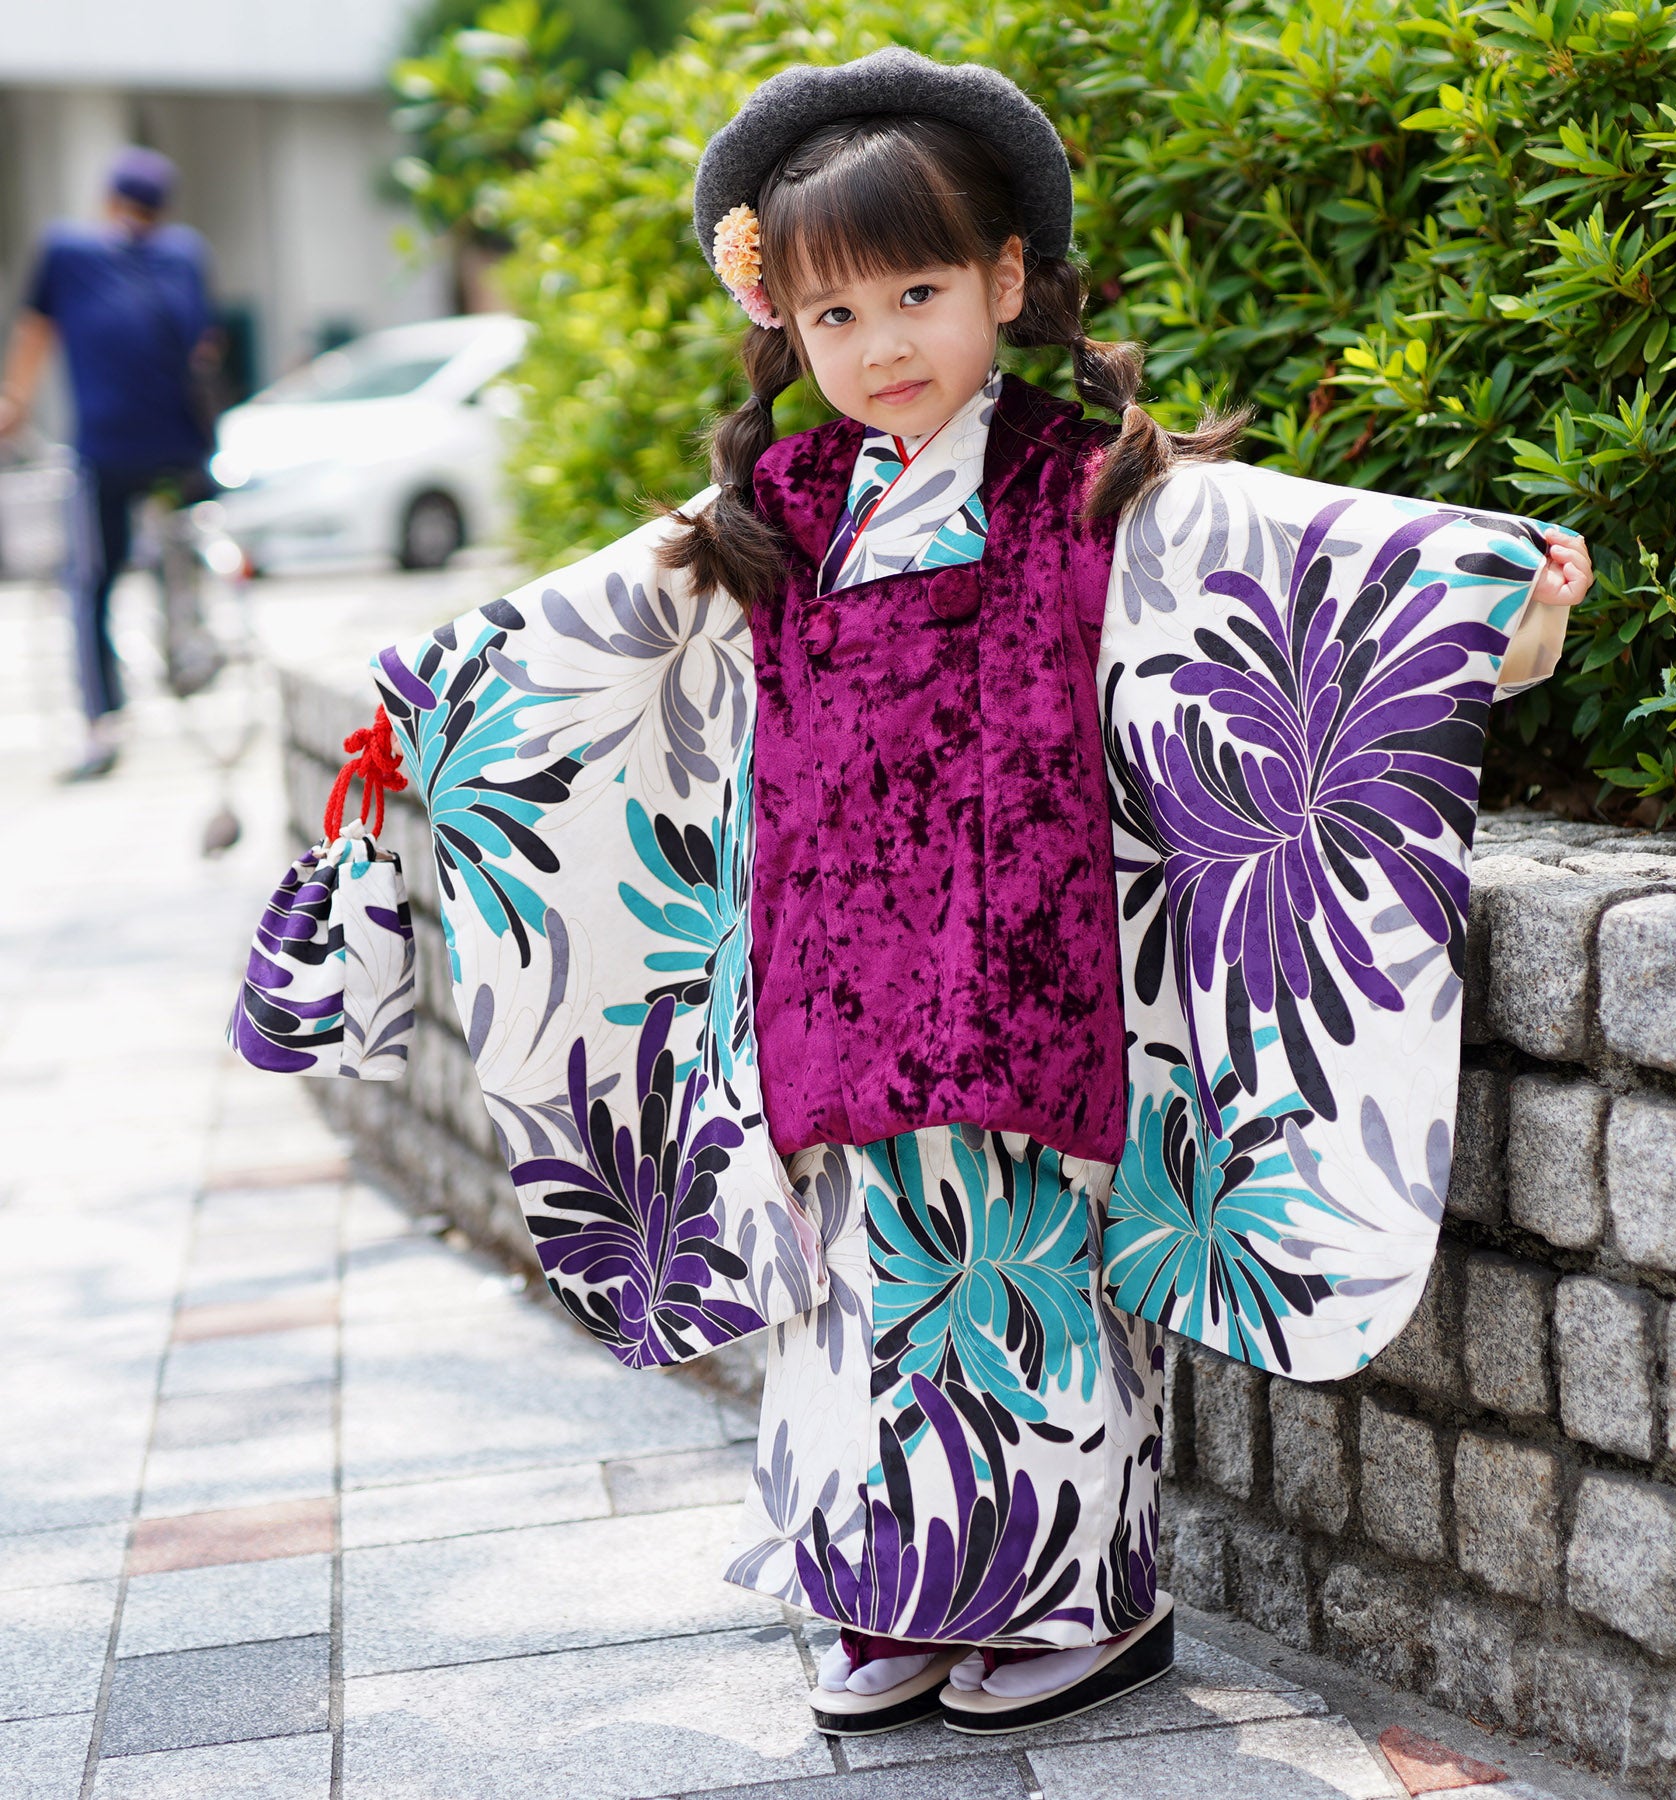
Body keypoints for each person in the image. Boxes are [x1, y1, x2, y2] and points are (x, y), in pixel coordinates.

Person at [329, 48, 1591, 1741]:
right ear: (786, 326)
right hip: (831, 983)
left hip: (1032, 972)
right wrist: (432, 708)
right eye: (836, 317)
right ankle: (881, 1586)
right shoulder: (774, 520)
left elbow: (1275, 564)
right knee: (851, 1303)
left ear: (1007, 280)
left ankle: (1090, 1599)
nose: (884, 349)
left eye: (920, 293)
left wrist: (1476, 594)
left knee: (1028, 1283)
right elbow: (577, 650)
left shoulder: (1087, 490)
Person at [0, 146, 219, 781]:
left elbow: (34, 335)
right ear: (163, 209)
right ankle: (189, 635)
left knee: (91, 582)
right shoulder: (185, 253)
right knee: (179, 535)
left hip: (109, 451)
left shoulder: (68, 251)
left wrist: (13, 405)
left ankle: (104, 722)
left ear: (108, 202)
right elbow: (204, 345)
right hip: (182, 449)